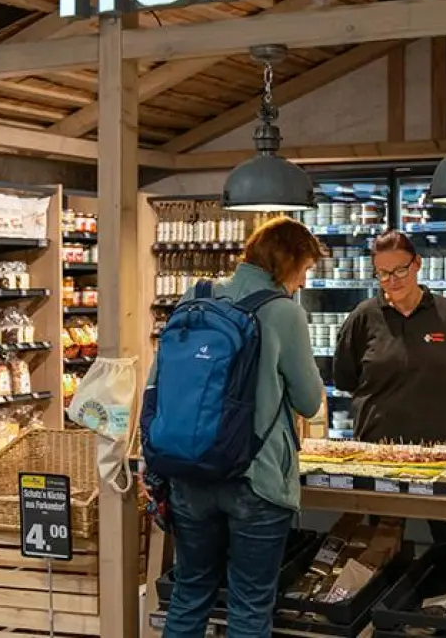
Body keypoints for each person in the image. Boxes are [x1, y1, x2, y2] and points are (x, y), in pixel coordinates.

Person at [153, 217, 325, 638]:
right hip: (255, 478)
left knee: (190, 593)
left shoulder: (196, 297)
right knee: (249, 605)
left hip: (188, 471)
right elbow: (308, 399)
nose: (302, 282)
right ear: (286, 263)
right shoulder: (284, 312)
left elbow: (158, 384)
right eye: (303, 270)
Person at [333, 230, 446, 545]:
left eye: (400, 270)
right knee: (380, 547)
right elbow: (345, 379)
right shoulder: (364, 317)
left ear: (417, 265)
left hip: (441, 456)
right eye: (383, 274)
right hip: (379, 455)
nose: (393, 279)